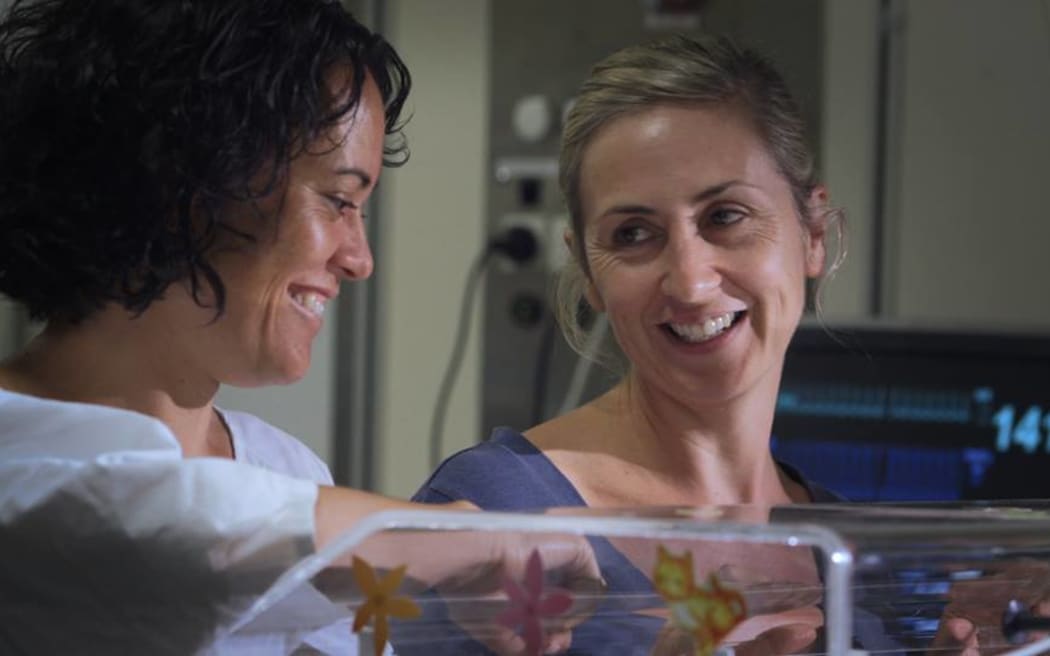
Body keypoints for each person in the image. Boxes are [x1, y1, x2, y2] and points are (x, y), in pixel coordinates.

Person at [0, 1, 597, 654]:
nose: (359, 259)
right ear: (187, 176)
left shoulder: (288, 474)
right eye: (338, 200)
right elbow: (155, 527)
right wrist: (460, 537)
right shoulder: (23, 455)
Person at [412, 34, 846, 655]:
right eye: (634, 233)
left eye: (725, 216)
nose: (692, 283)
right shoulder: (494, 516)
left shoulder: (857, 553)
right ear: (588, 274)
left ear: (812, 234)